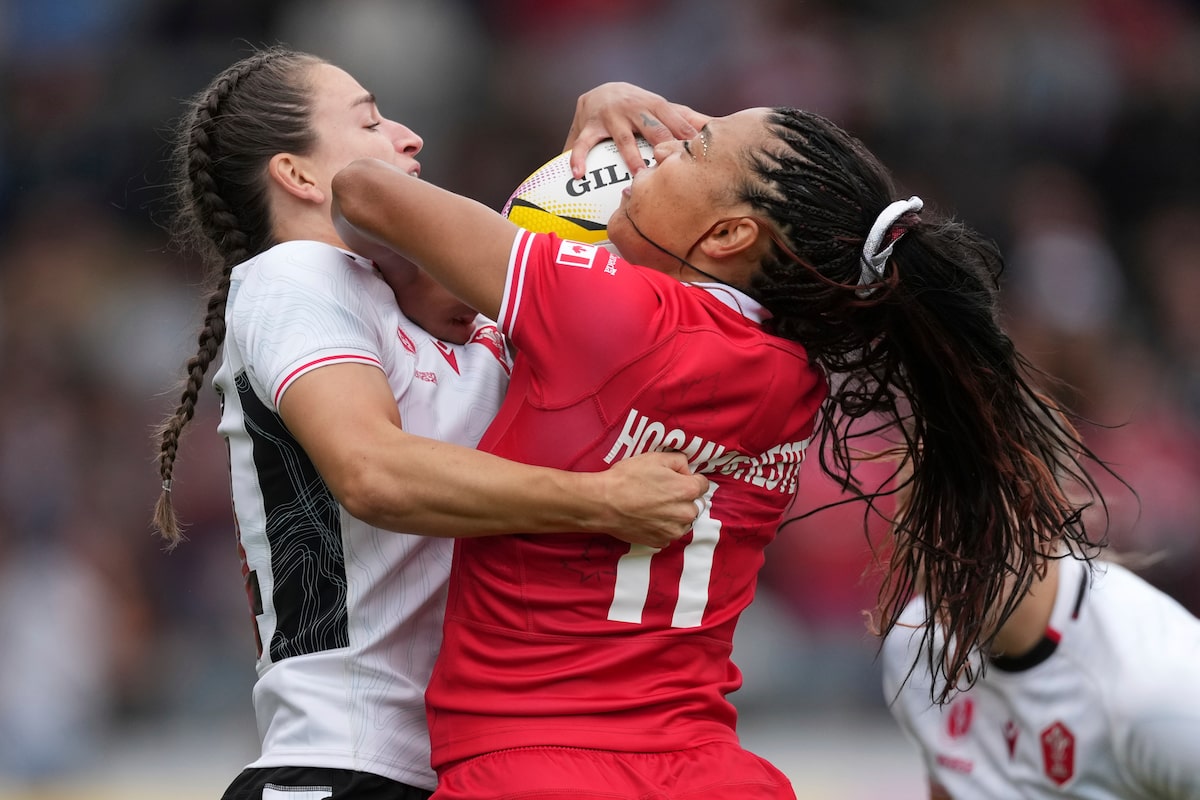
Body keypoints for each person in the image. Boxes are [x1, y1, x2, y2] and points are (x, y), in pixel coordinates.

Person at [330, 103, 1116, 799]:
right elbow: (766, 201)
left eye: (689, 146)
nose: (656, 151)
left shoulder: (607, 311)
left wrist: (576, 172)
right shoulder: (796, 377)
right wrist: (665, 136)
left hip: (533, 765)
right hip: (711, 771)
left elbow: (366, 190)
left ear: (731, 234)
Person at [150, 49, 710, 800]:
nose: (409, 137)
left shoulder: (420, 301)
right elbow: (372, 472)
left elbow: (600, 271)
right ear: (301, 176)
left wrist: (607, 130)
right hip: (345, 767)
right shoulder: (297, 275)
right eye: (372, 121)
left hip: (465, 764)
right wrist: (603, 500)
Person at [881, 413, 1200, 799]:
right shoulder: (913, 649)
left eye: (972, 511)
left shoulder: (1158, 691)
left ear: (1048, 517)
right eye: (917, 510)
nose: (941, 543)